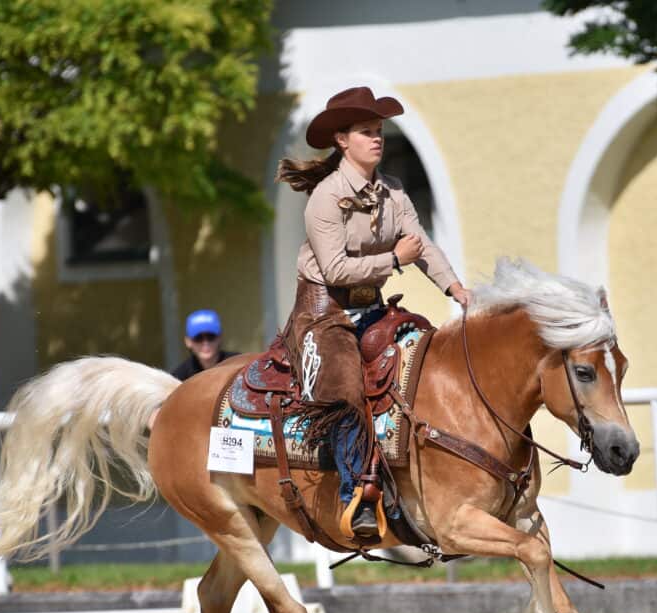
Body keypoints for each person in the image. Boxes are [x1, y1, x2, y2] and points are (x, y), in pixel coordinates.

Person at [275, 86, 471, 543]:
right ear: (342, 140)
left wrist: (456, 288)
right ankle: (357, 497)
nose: (377, 139)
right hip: (324, 311)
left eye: (379, 131)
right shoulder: (325, 198)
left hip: (371, 306)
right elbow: (336, 269)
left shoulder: (393, 191)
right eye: (366, 132)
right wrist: (397, 260)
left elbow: (422, 244)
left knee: (425, 353)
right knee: (345, 385)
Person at [171, 309, 237, 381]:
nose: (205, 343)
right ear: (188, 341)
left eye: (210, 337)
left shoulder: (238, 364)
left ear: (220, 337)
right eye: (198, 338)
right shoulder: (179, 377)